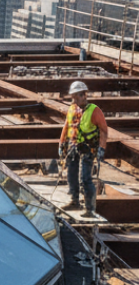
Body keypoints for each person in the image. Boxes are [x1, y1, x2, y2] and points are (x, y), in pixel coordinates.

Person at [59, 81, 108, 217]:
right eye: (73, 97)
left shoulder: (94, 111)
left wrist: (101, 148)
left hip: (88, 148)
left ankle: (90, 209)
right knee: (71, 174)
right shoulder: (72, 108)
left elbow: (103, 131)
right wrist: (62, 143)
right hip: (73, 146)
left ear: (84, 95)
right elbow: (67, 126)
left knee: (85, 178)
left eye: (77, 96)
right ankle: (74, 201)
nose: (75, 99)